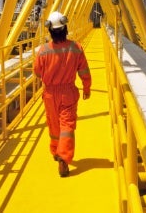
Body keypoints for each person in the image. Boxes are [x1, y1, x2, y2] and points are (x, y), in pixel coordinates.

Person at [34, 11, 91, 177]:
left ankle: (55, 151)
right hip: (68, 92)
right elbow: (84, 72)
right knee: (67, 126)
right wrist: (86, 88)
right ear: (65, 28)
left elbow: (37, 72)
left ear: (50, 31)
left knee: (54, 125)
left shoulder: (43, 51)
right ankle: (64, 159)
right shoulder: (76, 48)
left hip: (50, 93)